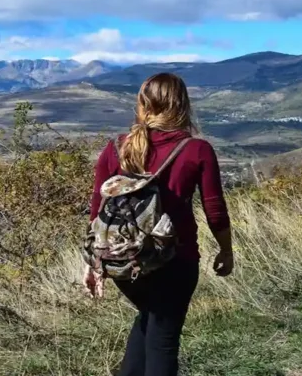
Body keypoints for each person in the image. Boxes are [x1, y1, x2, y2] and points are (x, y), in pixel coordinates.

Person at [85, 72, 233, 376]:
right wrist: (226, 251)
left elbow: (98, 210)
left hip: (124, 261)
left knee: (148, 322)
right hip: (175, 259)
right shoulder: (196, 149)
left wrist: (92, 261)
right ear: (182, 105)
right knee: (162, 341)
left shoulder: (116, 147)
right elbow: (214, 209)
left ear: (143, 104)